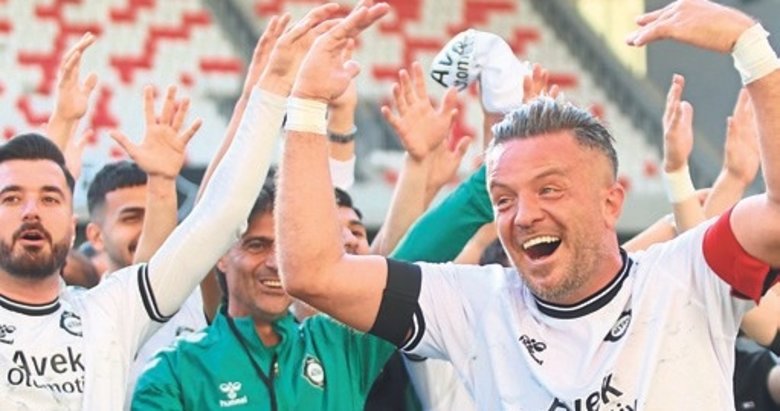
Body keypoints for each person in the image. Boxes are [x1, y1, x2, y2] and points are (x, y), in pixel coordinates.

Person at [276, 0, 780, 409]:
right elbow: (314, 274)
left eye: (549, 189)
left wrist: (751, 49)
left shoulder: (687, 275)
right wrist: (305, 105)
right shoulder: (474, 305)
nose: (524, 215)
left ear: (611, 203)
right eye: (503, 199)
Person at [132, 179, 398, 411]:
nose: (275, 262)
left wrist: (416, 161)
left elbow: (407, 263)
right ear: (221, 256)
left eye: (286, 248)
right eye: (257, 245)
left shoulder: (339, 343)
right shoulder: (176, 370)